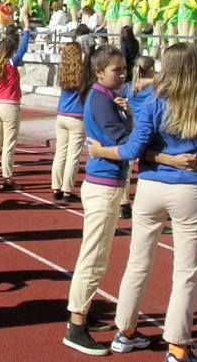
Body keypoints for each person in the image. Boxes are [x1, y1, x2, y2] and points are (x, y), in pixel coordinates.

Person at [87, 43, 197, 362]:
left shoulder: (154, 102)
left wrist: (103, 152)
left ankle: (124, 332)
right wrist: (189, 159)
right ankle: (177, 348)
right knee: (185, 271)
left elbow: (131, 150)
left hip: (150, 187)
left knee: (137, 262)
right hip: (189, 192)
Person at [63, 45, 132, 355]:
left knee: (97, 256)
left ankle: (84, 313)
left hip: (106, 182)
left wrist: (129, 113)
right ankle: (75, 325)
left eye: (124, 69)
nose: (123, 74)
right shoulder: (101, 100)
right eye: (117, 70)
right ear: (99, 71)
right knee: (93, 257)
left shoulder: (106, 97)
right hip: (103, 184)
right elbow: (128, 143)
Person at [0, 16, 31, 189]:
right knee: (8, 144)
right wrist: (26, 28)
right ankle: (7, 178)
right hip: (10, 105)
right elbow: (24, 48)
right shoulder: (11, 63)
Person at [118, 55, 157, 219]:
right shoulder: (155, 87)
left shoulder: (130, 86)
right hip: (148, 128)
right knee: (147, 166)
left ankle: (123, 202)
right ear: (151, 70)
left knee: (127, 166)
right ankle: (144, 202)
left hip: (131, 127)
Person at [51, 42, 85, 201]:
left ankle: (56, 187)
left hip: (62, 115)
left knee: (60, 152)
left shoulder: (62, 69)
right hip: (77, 116)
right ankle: (67, 190)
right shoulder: (83, 71)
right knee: (73, 155)